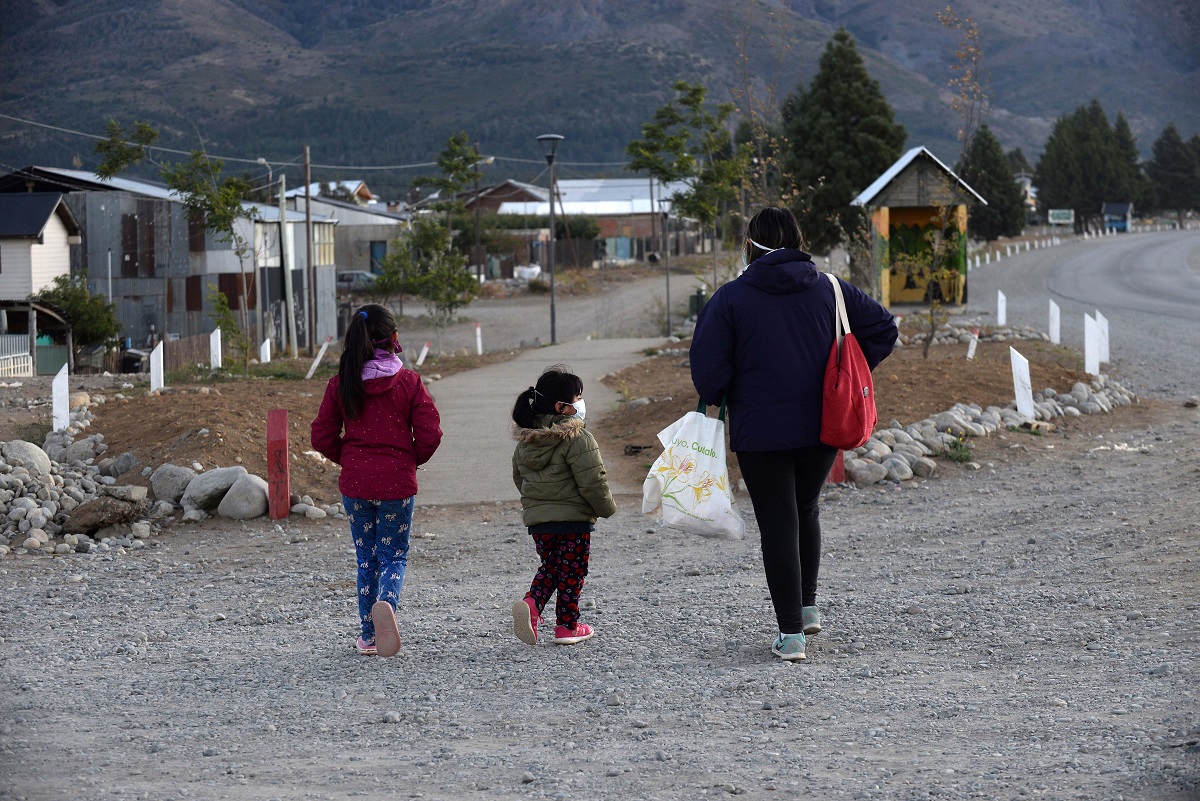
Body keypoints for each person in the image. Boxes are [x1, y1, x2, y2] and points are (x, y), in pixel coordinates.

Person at [689, 207, 897, 661]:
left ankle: (790, 637)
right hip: (822, 426)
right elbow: (883, 328)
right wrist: (846, 371)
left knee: (778, 524)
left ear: (750, 245)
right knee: (806, 508)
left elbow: (709, 378)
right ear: (798, 241)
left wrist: (730, 386)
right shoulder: (830, 288)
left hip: (759, 431)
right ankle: (805, 611)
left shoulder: (729, 299)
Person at [310, 304, 442, 658]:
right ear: (394, 339)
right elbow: (430, 433)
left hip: (356, 486)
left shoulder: (341, 384)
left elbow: (321, 436)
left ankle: (368, 636)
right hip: (397, 484)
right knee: (394, 555)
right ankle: (387, 601)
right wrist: (410, 459)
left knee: (366, 558)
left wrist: (351, 459)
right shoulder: (410, 383)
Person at [510, 365, 617, 646]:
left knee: (553, 566)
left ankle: (533, 605)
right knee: (572, 572)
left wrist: (538, 504)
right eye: (578, 397)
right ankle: (567, 626)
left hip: (539, 522)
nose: (581, 403)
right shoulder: (578, 438)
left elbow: (519, 479)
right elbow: (593, 480)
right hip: (573, 520)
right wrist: (605, 508)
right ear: (562, 406)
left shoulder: (526, 442)